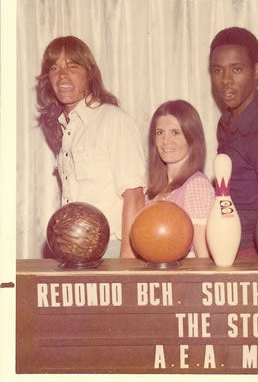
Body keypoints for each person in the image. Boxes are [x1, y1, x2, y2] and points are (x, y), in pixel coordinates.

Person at [36, 36, 145, 259]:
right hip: (74, 254)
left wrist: (127, 263)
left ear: (89, 74)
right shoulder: (66, 130)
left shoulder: (113, 119)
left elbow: (134, 195)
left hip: (112, 251)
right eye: (54, 68)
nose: (62, 75)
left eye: (72, 66)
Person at [209, 27, 258, 257]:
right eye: (217, 70)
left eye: (236, 69)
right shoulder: (227, 120)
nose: (226, 80)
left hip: (250, 253)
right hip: (225, 244)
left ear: (256, 71)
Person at [146, 100, 215, 257]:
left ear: (192, 138)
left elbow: (202, 256)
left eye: (175, 133)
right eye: (160, 132)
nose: (165, 141)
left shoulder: (196, 186)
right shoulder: (153, 191)